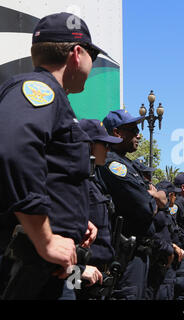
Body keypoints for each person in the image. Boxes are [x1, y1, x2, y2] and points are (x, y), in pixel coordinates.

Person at [0, 12, 109, 300]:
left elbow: (51, 171)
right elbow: (15, 149)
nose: (92, 65)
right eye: (92, 56)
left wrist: (72, 219)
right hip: (31, 266)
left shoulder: (57, 99)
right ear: (76, 53)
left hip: (56, 268)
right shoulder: (39, 89)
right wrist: (45, 238)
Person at [98, 109, 170, 300]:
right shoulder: (113, 164)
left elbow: (158, 199)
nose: (139, 134)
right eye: (133, 129)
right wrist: (155, 200)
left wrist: (156, 197)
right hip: (126, 255)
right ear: (117, 133)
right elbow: (146, 206)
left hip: (139, 252)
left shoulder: (127, 164)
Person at [73, 119, 124, 300]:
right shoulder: (75, 183)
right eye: (105, 144)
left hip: (97, 279)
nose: (109, 150)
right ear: (90, 145)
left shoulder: (92, 182)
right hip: (82, 279)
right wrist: (77, 271)